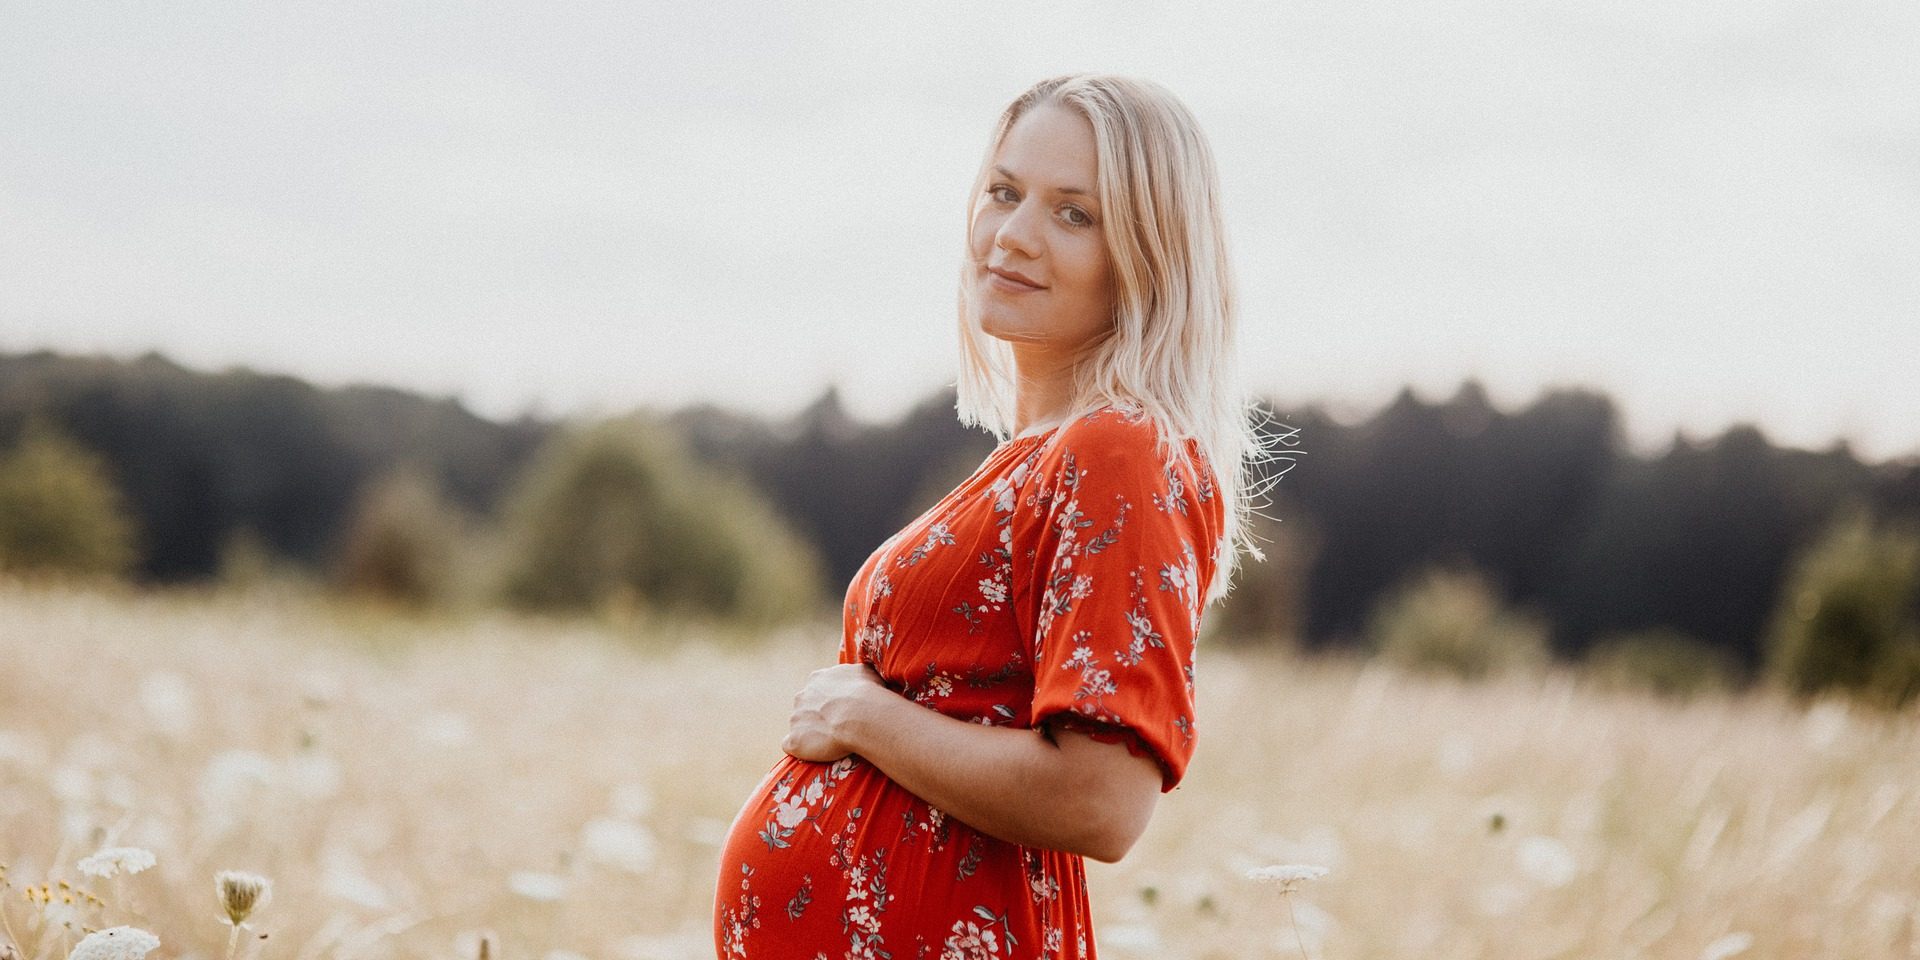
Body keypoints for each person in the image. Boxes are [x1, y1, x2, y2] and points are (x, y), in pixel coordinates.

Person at [713, 73, 1268, 959]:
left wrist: (865, 719)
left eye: (1074, 214)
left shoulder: (1118, 453)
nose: (1013, 235)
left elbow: (1101, 799)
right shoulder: (1047, 455)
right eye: (1004, 193)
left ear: (1149, 255)